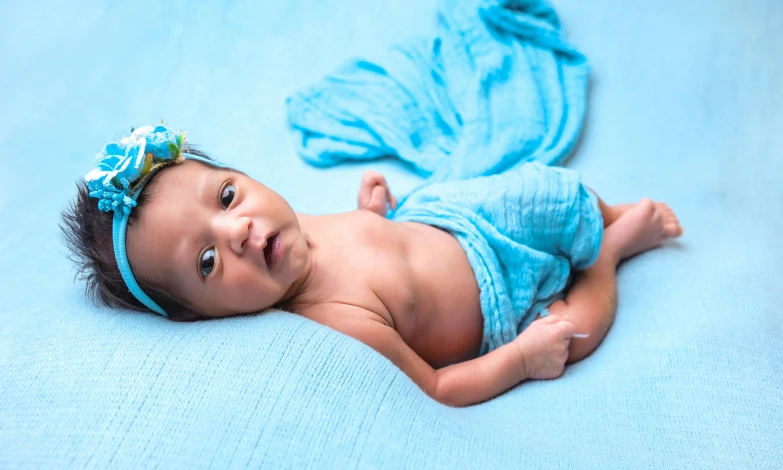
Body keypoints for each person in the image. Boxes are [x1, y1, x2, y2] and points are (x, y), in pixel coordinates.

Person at [62, 125, 683, 407]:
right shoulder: (335, 316)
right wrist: (520, 359)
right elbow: (438, 387)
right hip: (493, 294)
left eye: (226, 197)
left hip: (439, 221)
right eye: (206, 261)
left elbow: (364, 243)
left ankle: (609, 211)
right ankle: (610, 255)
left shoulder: (291, 232)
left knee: (540, 188)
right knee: (570, 332)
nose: (240, 233)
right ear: (203, 317)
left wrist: (370, 214)